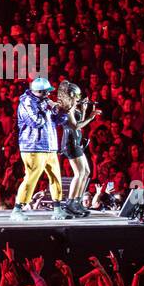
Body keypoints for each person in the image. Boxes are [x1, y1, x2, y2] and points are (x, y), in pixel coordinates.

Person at [11, 77, 68, 221]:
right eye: (46, 93)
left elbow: (60, 121)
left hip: (50, 146)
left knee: (56, 177)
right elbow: (35, 122)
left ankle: (57, 208)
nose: (48, 95)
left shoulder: (45, 102)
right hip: (33, 147)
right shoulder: (26, 103)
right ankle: (17, 209)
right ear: (38, 92)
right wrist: (46, 109)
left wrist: (61, 111)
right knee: (31, 178)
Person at [57, 82, 98, 215]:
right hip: (70, 143)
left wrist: (85, 110)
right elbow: (76, 126)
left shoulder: (73, 106)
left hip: (76, 142)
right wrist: (91, 117)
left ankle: (77, 201)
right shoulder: (67, 109)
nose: (79, 97)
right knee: (79, 173)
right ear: (71, 95)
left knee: (86, 172)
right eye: (77, 95)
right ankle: (70, 203)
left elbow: (79, 120)